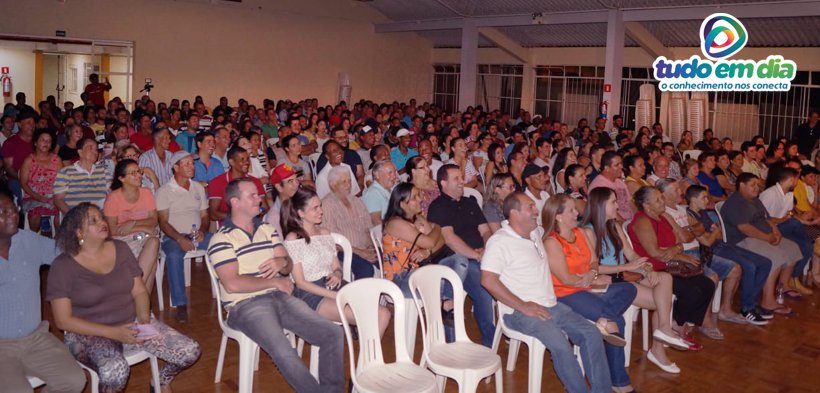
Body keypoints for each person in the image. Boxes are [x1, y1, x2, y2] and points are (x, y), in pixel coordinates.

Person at [208, 178, 344, 392]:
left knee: (332, 334)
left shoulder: (266, 229)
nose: (259, 198)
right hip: (245, 305)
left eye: (258, 193)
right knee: (284, 351)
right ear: (235, 202)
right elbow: (233, 284)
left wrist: (281, 262)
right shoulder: (221, 239)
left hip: (280, 297)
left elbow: (287, 265)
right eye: (252, 195)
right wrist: (274, 281)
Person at [47, 203, 200, 393]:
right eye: (93, 221)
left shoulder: (120, 248)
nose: (102, 222)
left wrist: (143, 321)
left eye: (101, 217)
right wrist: (114, 333)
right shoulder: (63, 266)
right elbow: (63, 321)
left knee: (189, 351)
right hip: (87, 334)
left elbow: (139, 291)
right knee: (116, 371)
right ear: (79, 233)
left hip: (131, 322)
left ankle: (159, 381)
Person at [481, 191, 611, 393]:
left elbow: (565, 234)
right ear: (514, 213)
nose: (536, 211)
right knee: (561, 346)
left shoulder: (535, 233)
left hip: (551, 304)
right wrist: (522, 305)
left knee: (591, 333)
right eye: (530, 207)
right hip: (519, 312)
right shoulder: (499, 242)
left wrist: (591, 271)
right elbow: (488, 280)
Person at [584, 187, 688, 373]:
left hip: (622, 276)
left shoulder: (614, 226)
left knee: (664, 278)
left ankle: (663, 329)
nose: (618, 206)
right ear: (600, 206)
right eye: (613, 202)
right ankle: (659, 346)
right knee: (662, 300)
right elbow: (593, 268)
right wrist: (625, 268)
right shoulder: (588, 231)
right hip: (605, 281)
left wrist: (647, 269)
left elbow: (631, 255)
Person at [543, 194, 637, 392]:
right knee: (618, 320)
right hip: (567, 294)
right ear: (558, 216)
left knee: (628, 288)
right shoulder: (552, 242)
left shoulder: (582, 233)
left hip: (588, 286)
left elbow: (594, 262)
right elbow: (566, 278)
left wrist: (592, 274)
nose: (577, 212)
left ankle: (605, 320)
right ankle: (620, 383)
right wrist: (585, 279)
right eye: (571, 210)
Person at [0, 191, 87, 393]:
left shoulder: (28, 241)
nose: (12, 215)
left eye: (13, 209)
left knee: (74, 380)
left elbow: (66, 251)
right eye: (3, 212)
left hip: (36, 339)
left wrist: (84, 238)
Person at [283, 187, 390, 334]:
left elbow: (335, 267)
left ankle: (370, 355)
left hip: (332, 284)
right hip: (310, 294)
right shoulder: (294, 238)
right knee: (372, 315)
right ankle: (369, 354)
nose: (321, 211)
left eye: (320, 206)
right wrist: (336, 295)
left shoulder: (324, 233)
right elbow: (300, 283)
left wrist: (338, 274)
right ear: (301, 213)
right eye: (315, 208)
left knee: (383, 312)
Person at [628, 186, 716, 349]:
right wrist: (678, 249)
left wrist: (679, 252)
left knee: (707, 284)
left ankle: (679, 323)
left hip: (668, 264)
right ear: (647, 206)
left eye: (661, 197)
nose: (663, 202)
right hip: (652, 270)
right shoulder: (642, 221)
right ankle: (677, 326)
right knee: (692, 292)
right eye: (658, 200)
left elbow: (681, 240)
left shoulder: (664, 216)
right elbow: (655, 252)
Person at [427, 164, 496, 346]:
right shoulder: (438, 207)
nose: (462, 182)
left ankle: (507, 328)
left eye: (462, 177)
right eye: (456, 179)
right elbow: (449, 239)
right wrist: (476, 255)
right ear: (443, 183)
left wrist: (487, 250)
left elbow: (486, 231)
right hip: (457, 261)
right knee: (484, 287)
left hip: (481, 255)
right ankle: (489, 340)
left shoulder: (470, 203)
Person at [685, 185, 771, 324]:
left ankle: (752, 303)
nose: (707, 200)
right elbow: (708, 240)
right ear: (693, 200)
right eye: (704, 197)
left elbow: (717, 234)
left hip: (721, 245)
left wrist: (714, 233)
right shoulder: (690, 216)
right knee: (748, 266)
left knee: (765, 262)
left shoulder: (703, 213)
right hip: (710, 250)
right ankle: (747, 308)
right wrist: (714, 232)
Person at [156, 151, 211, 322]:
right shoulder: (164, 191)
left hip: (196, 234)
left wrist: (203, 230)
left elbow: (205, 216)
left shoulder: (198, 187)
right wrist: (180, 238)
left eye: (192, 163)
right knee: (173, 255)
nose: (191, 166)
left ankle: (227, 295)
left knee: (222, 243)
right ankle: (180, 304)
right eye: (186, 164)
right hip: (173, 236)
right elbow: (163, 222)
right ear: (175, 167)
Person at [104, 158, 161, 294]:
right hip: (122, 241)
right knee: (151, 263)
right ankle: (144, 308)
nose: (139, 175)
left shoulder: (146, 193)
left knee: (153, 242)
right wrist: (143, 227)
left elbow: (154, 220)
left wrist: (132, 224)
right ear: (122, 178)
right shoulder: (113, 198)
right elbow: (113, 230)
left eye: (139, 172)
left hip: (145, 237)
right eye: (133, 173)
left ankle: (137, 298)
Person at [758, 166, 817, 297]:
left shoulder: (790, 194)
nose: (797, 182)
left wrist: (806, 220)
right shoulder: (769, 193)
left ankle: (793, 278)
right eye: (796, 179)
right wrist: (785, 220)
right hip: (768, 230)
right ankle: (813, 236)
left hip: (783, 228)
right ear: (791, 180)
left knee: (806, 245)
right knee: (796, 224)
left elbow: (789, 215)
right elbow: (761, 218)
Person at [321, 166, 379, 279]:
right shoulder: (327, 205)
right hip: (344, 251)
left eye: (349, 181)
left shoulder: (356, 201)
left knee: (387, 257)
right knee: (365, 269)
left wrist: (370, 247)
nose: (348, 185)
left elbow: (368, 228)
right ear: (333, 185)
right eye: (343, 182)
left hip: (364, 248)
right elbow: (333, 241)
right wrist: (360, 252)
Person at [208, 145, 268, 223]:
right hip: (229, 228)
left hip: (253, 224)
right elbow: (213, 214)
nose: (246, 162)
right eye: (242, 159)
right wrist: (241, 216)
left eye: (247, 159)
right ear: (231, 162)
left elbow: (264, 208)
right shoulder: (217, 182)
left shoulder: (255, 181)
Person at [53, 138, 112, 214]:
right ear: (80, 152)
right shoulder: (66, 172)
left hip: (100, 216)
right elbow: (58, 200)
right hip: (77, 218)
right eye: (90, 148)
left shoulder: (103, 171)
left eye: (96, 149)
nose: (95, 152)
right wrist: (72, 216)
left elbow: (112, 194)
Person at [20, 129, 62, 232]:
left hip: (53, 196)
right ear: (35, 143)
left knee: (61, 216)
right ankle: (34, 243)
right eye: (42, 140)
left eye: (49, 141)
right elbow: (23, 183)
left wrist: (56, 197)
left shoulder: (57, 159)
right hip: (33, 196)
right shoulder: (29, 160)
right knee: (35, 215)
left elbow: (62, 181)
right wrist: (37, 196)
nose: (46, 143)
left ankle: (58, 242)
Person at [2, 111, 36, 203]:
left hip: (38, 178)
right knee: (15, 186)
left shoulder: (38, 142)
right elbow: (9, 167)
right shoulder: (10, 143)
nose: (32, 126)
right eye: (28, 123)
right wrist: (24, 178)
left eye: (33, 123)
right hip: (17, 178)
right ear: (20, 124)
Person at [589, 151, 633, 222]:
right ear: (607, 168)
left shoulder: (619, 181)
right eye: (617, 165)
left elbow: (630, 202)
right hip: (615, 223)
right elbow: (608, 213)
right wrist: (625, 225)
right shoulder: (599, 186)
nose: (621, 167)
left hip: (630, 220)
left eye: (621, 163)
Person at [263, 163, 301, 238]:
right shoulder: (274, 217)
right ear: (279, 187)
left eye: (296, 179)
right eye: (290, 181)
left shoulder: (301, 203)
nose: (297, 184)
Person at [362, 160, 397, 225]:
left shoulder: (392, 188)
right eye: (390, 173)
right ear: (377, 175)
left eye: (395, 172)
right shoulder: (372, 194)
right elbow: (376, 222)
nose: (394, 176)